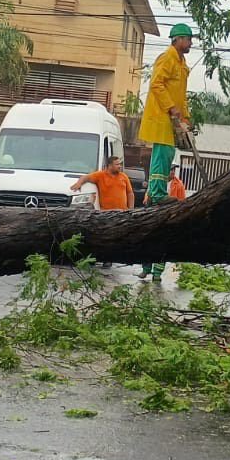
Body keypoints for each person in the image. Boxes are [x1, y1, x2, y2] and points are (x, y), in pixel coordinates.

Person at [138, 23, 195, 281]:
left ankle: (159, 194)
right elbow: (157, 85)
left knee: (168, 155)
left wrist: (186, 117)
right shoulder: (167, 58)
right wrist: (172, 109)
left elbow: (181, 96)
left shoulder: (182, 65)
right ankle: (158, 194)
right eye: (188, 39)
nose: (191, 43)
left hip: (172, 120)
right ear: (178, 39)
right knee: (161, 157)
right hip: (162, 118)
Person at [70, 155, 135, 210]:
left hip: (122, 214)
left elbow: (130, 193)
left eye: (120, 164)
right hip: (107, 214)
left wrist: (131, 209)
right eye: (117, 164)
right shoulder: (100, 175)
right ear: (110, 165)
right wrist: (79, 183)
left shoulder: (124, 176)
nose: (119, 166)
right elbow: (85, 177)